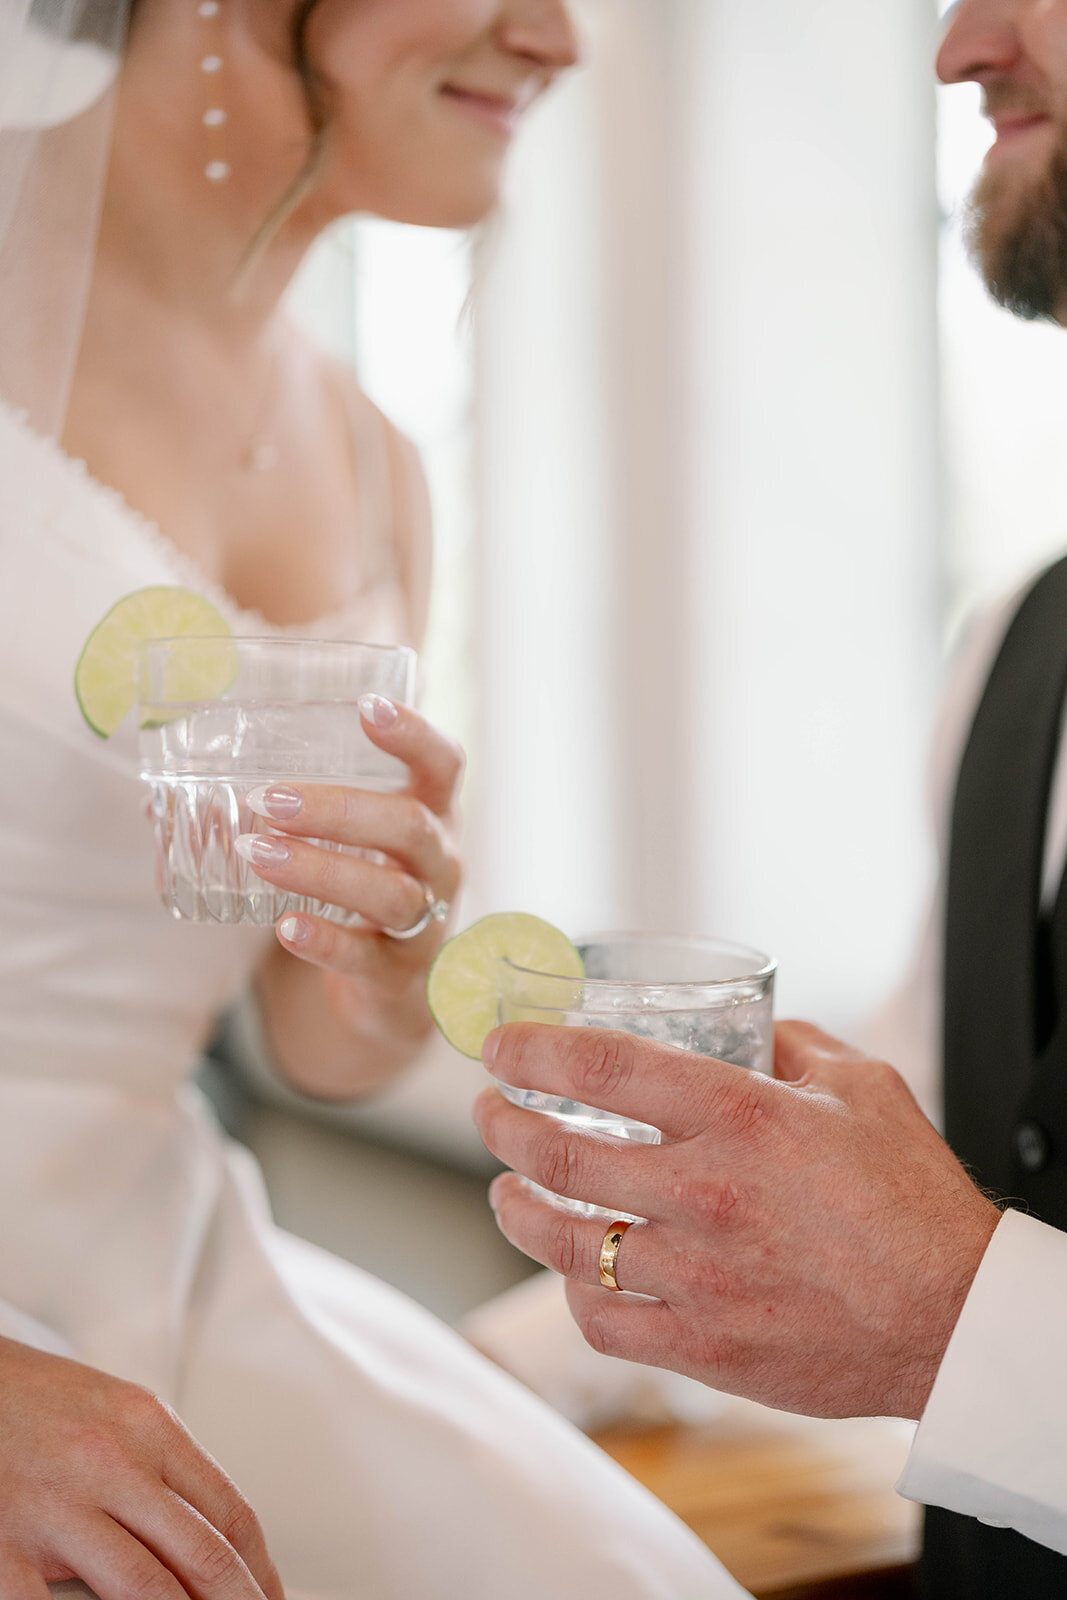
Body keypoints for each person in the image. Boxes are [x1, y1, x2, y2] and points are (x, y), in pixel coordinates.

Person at [0, 3, 746, 1597]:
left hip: (163, 1267)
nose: (557, 37)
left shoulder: (373, 456)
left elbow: (312, 1042)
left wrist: (391, 961)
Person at [474, 1, 1067, 1596]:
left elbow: (944, 1266)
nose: (959, 44)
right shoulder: (1017, 649)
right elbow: (952, 1096)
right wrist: (463, 1382)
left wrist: (961, 1326)